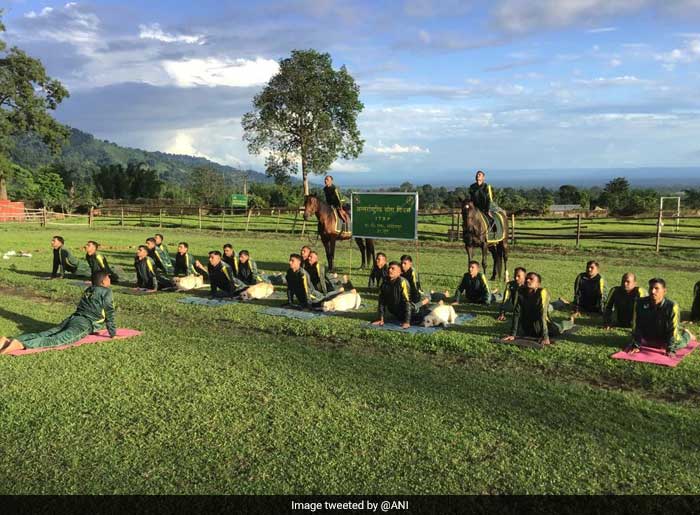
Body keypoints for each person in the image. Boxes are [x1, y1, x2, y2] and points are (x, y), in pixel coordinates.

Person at [0, 271, 117, 354]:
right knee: (59, 339)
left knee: (46, 333)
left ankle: (9, 340)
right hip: (85, 324)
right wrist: (112, 333)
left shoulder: (89, 289)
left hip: (73, 318)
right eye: (108, 278)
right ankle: (20, 344)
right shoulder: (106, 292)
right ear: (103, 282)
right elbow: (109, 312)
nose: (110, 280)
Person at [502, 272, 575, 346]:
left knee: (560, 327)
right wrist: (513, 334)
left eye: (531, 279)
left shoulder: (542, 292)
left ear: (538, 284)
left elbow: (542, 316)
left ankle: (570, 321)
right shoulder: (520, 291)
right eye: (527, 278)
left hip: (546, 326)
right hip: (528, 327)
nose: (528, 280)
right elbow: (516, 313)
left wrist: (545, 336)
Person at [628, 278, 694, 356]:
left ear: (664, 291)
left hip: (666, 335)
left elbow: (672, 329)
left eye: (656, 289)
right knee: (644, 342)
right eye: (651, 288)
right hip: (650, 334)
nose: (652, 291)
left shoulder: (672, 306)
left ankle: (687, 334)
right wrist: (636, 345)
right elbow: (636, 325)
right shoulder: (639, 303)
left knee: (679, 343)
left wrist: (670, 349)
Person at [372, 261, 425, 329]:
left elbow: (407, 302)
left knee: (428, 313)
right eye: (389, 268)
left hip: (412, 312)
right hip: (397, 312)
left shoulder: (402, 282)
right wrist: (380, 319)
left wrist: (407, 322)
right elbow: (381, 301)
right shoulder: (384, 282)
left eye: (393, 268)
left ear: (399, 272)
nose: (389, 270)